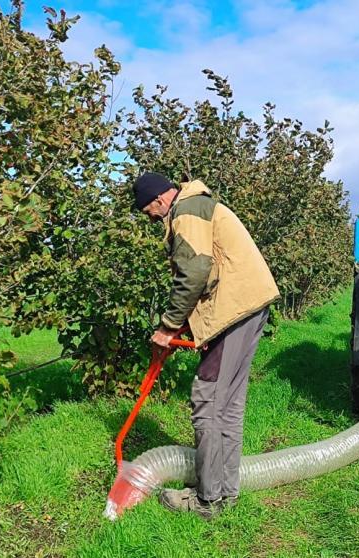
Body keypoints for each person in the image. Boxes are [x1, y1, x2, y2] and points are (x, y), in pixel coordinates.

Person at [132, 171, 280, 520]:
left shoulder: (185, 211)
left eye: (148, 213)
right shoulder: (197, 204)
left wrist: (168, 326)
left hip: (235, 311)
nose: (152, 219)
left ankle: (207, 500)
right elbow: (208, 270)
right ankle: (225, 494)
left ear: (157, 200)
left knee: (208, 401)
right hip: (246, 306)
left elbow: (195, 271)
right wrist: (184, 324)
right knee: (227, 406)